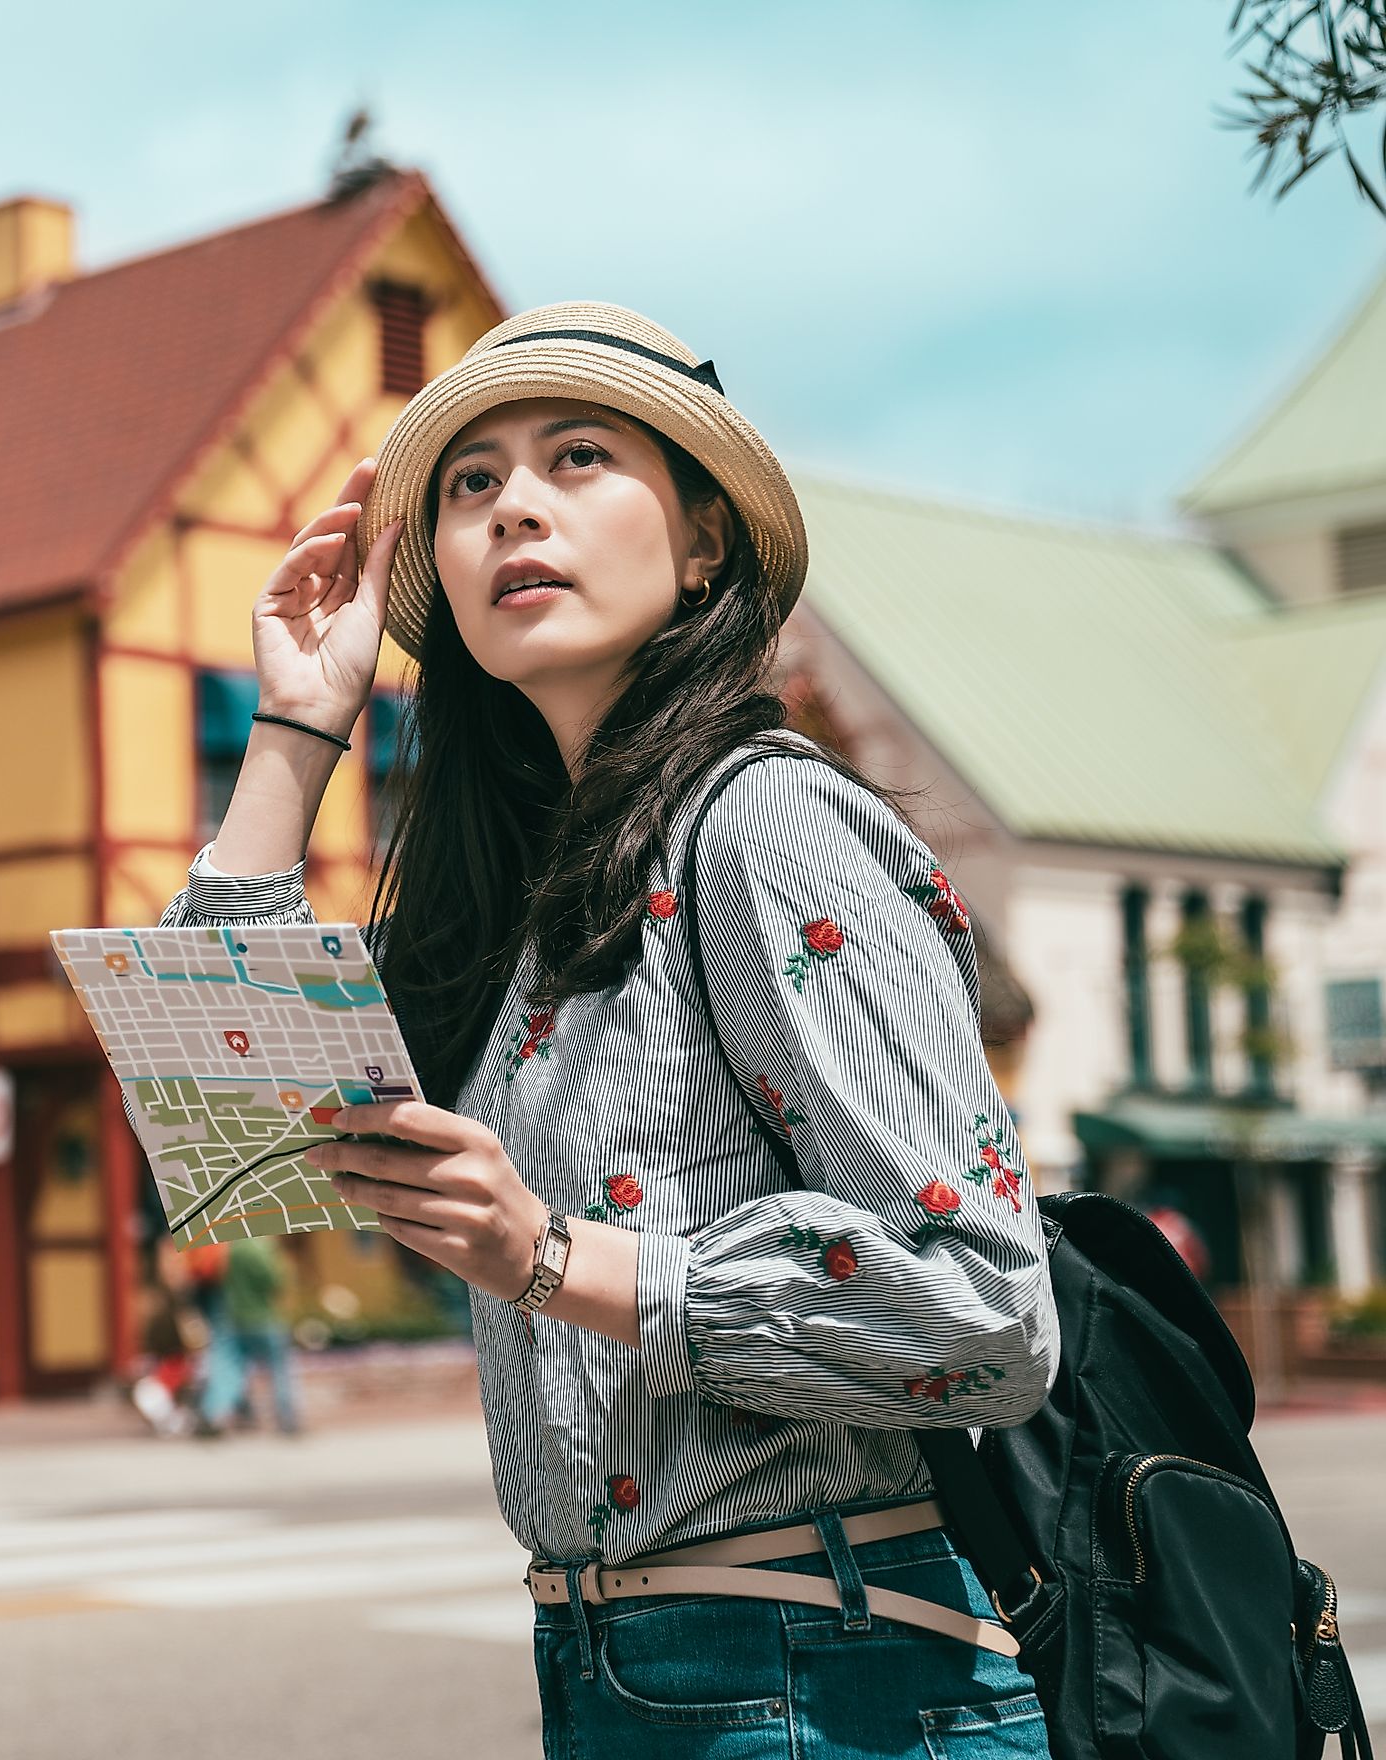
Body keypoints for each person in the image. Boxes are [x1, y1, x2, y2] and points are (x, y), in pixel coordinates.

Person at [158, 303, 1059, 1755]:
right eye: (471, 484)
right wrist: (298, 728)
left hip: (835, 1679)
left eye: (577, 458)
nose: (515, 502)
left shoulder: (766, 823)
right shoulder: (531, 907)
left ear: (702, 544)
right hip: (615, 1668)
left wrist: (556, 1259)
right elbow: (229, 1123)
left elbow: (991, 1315)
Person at [198, 1234, 301, 1438]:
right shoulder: (260, 1248)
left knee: (230, 1368)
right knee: (279, 1369)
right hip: (263, 1317)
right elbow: (274, 1281)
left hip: (235, 1317)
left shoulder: (230, 1248)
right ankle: (287, 1417)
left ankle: (215, 1414)